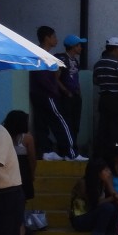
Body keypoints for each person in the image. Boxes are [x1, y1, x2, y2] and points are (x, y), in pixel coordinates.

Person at [2, 111, 59, 235]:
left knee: (19, 225)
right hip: (19, 181)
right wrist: (31, 176)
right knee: (19, 225)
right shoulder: (26, 139)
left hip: (12, 183)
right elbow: (32, 160)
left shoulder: (3, 136)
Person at [29, 26, 81, 161]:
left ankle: (46, 150)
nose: (56, 40)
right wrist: (55, 91)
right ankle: (71, 153)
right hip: (47, 94)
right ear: (47, 38)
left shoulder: (39, 53)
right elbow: (45, 77)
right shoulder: (43, 55)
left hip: (38, 93)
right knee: (61, 121)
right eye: (54, 37)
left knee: (41, 122)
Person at [69, 157, 118, 235]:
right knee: (108, 207)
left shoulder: (101, 182)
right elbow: (93, 204)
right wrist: (113, 197)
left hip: (93, 215)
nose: (109, 172)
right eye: (105, 170)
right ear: (97, 171)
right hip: (80, 219)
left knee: (115, 207)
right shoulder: (83, 183)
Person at [92, 37, 118, 153]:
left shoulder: (98, 64)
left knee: (103, 128)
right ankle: (116, 153)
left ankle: (101, 153)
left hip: (103, 98)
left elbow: (95, 81)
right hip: (116, 99)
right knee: (117, 129)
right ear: (115, 49)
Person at [54, 34, 87, 154]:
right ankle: (67, 150)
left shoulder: (75, 60)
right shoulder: (62, 59)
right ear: (73, 46)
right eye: (79, 45)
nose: (81, 48)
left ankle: (73, 148)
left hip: (75, 96)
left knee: (75, 124)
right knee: (67, 123)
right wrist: (65, 91)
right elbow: (55, 78)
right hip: (66, 96)